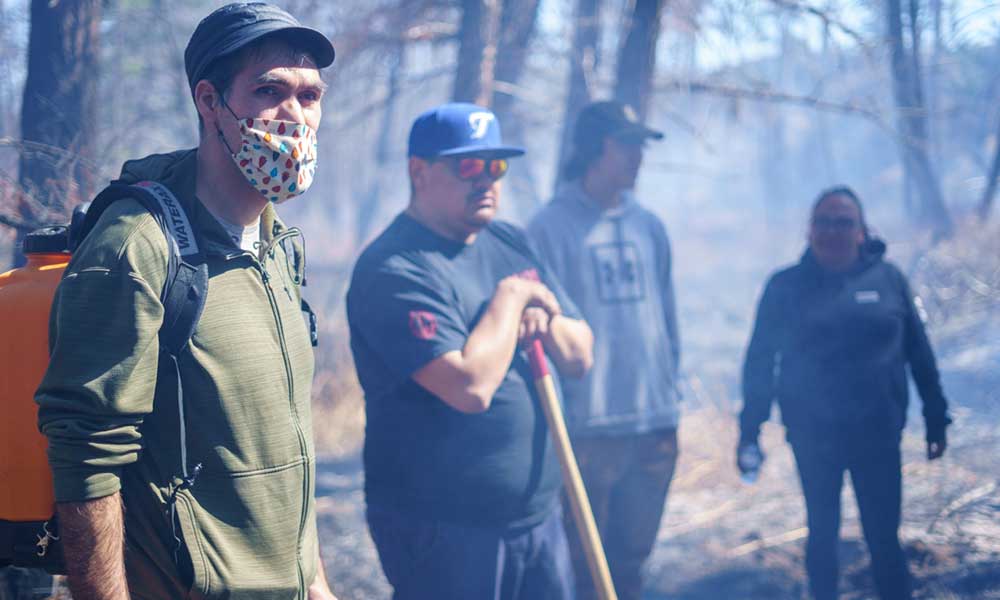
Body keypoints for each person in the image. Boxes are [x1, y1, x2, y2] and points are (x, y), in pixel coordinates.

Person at [34, 3, 339, 599]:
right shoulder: (136, 248)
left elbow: (285, 448)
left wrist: (317, 582)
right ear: (208, 100)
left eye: (310, 95)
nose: (294, 116)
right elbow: (86, 461)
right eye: (268, 90)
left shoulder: (280, 247)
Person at [347, 102, 594, 600]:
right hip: (445, 529)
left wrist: (543, 319)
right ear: (419, 171)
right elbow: (469, 386)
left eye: (496, 166)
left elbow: (581, 354)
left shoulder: (508, 240)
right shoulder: (395, 268)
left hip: (537, 517)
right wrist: (512, 298)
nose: (486, 180)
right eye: (467, 166)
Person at [738, 186, 952, 600]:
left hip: (878, 434)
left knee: (884, 536)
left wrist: (935, 414)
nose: (832, 231)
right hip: (814, 436)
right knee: (821, 533)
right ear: (809, 230)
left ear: (861, 231)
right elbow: (760, 362)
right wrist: (751, 429)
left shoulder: (888, 279)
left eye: (843, 222)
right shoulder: (785, 287)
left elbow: (919, 351)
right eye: (823, 222)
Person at [528, 100, 682, 600]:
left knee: (632, 568)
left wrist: (669, 398)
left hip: (653, 426)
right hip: (587, 431)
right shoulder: (550, 228)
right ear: (596, 148)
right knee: (586, 573)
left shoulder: (649, 226)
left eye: (641, 145)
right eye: (627, 145)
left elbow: (667, 320)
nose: (639, 156)